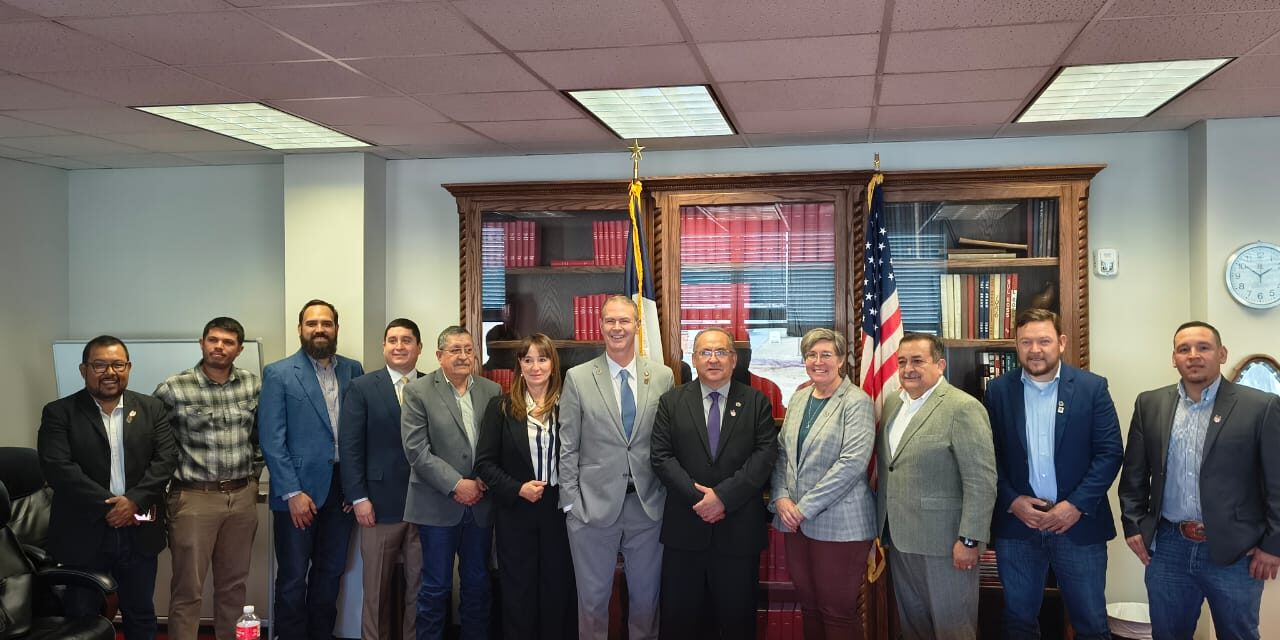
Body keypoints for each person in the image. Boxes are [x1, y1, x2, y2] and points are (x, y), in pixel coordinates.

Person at [1118, 321, 1280, 640]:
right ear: (1173, 358)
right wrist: (1133, 525)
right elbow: (1134, 473)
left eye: (1203, 347)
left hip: (1236, 551)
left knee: (1239, 634)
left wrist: (1273, 545)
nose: (1193, 355)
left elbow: (1277, 481)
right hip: (1168, 549)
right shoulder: (1149, 404)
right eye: (1184, 349)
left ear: (1221, 354)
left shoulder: (1260, 407)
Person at [985, 308, 1123, 640]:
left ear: (1061, 342)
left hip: (1078, 525)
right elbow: (987, 457)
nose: (1035, 350)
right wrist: (1012, 500)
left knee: (1090, 622)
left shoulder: (1092, 388)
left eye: (1044, 341)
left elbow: (1110, 453)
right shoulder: (998, 391)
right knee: (1018, 621)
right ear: (1016, 346)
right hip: (1018, 526)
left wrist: (1074, 505)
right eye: (1026, 342)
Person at [37, 335, 178, 640]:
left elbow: (166, 460)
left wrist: (133, 502)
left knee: (140, 611)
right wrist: (111, 505)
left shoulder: (152, 408)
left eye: (117, 364)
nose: (109, 372)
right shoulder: (59, 412)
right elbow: (59, 469)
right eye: (100, 365)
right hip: (83, 532)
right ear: (83, 369)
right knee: (82, 616)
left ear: (128, 367)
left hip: (138, 530)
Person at [558, 295, 674, 640]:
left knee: (646, 602)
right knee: (592, 603)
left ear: (637, 326)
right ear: (600, 326)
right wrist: (570, 503)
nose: (617, 327)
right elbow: (568, 446)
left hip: (647, 506)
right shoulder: (578, 378)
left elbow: (667, 442)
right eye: (610, 321)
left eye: (625, 321)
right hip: (591, 509)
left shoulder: (663, 376)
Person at [651, 327, 779, 639]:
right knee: (682, 623)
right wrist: (700, 500)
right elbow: (661, 457)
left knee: (737, 623)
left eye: (721, 352)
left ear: (734, 360)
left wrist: (722, 498)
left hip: (737, 534)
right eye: (705, 352)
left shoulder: (757, 402)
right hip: (685, 532)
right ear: (693, 359)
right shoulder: (671, 402)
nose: (713, 359)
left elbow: (764, 456)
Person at [875, 332, 996, 640]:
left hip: (946, 545)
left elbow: (981, 481)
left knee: (953, 629)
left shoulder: (962, 408)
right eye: (902, 362)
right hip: (901, 540)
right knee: (914, 628)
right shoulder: (893, 404)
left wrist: (970, 540)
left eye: (917, 361)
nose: (907, 369)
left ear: (940, 365)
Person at [260, 299, 365, 640]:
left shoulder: (353, 370)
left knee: (331, 572)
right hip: (297, 492)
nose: (319, 329)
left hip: (342, 490)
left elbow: (360, 434)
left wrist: (355, 486)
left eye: (326, 323)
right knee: (292, 577)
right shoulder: (278, 373)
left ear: (337, 327)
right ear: (300, 329)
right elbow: (272, 440)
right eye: (311, 323)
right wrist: (292, 493)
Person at [153, 317, 263, 640]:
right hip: (194, 497)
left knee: (234, 586)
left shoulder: (253, 385)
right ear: (201, 343)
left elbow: (262, 436)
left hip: (242, 497)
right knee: (188, 589)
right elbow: (153, 440)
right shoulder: (174, 387)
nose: (220, 347)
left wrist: (254, 477)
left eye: (228, 342)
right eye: (213, 340)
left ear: (239, 349)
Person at [770, 328, 876, 639]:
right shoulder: (800, 398)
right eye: (811, 355)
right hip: (794, 523)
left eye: (827, 354)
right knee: (810, 608)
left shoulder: (856, 402)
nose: (818, 361)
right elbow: (782, 454)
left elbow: (852, 464)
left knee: (837, 612)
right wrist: (780, 498)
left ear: (842, 359)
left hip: (841, 525)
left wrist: (803, 508)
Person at [401, 326, 501, 640]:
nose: (463, 356)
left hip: (481, 505)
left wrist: (481, 481)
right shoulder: (418, 391)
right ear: (439, 355)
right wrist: (458, 484)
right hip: (437, 505)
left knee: (478, 585)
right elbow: (416, 451)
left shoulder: (492, 390)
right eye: (455, 350)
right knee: (434, 588)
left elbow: (500, 444)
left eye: (468, 349)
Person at [475, 333, 577, 639]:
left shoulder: (569, 405)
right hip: (517, 510)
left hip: (559, 509)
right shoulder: (502, 407)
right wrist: (518, 488)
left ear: (553, 364)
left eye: (542, 359)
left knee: (557, 587)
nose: (535, 367)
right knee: (518, 590)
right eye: (528, 359)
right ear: (519, 364)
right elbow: (484, 465)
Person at [338, 318, 426, 640]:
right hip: (377, 506)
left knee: (420, 587)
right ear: (383, 346)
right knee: (376, 589)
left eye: (406, 340)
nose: (399, 346)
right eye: (392, 340)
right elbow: (349, 446)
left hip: (425, 507)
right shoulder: (362, 387)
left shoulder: (433, 385)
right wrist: (358, 497)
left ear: (419, 347)